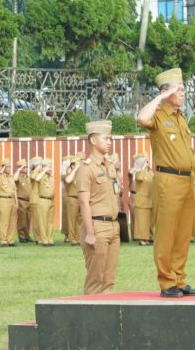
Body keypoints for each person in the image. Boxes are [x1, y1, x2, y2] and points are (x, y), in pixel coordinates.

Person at [137, 67, 195, 298]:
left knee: (183, 233)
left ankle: (179, 278)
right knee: (166, 233)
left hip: (187, 181)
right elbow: (141, 118)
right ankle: (167, 282)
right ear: (166, 92)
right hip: (168, 179)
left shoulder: (181, 117)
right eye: (179, 90)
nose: (184, 94)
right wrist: (160, 97)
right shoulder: (158, 114)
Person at [76, 120, 120, 295]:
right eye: (106, 138)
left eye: (110, 138)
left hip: (113, 226)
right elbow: (83, 203)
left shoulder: (109, 165)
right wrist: (90, 233)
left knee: (109, 280)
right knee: (96, 280)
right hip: (97, 227)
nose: (109, 142)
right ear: (93, 141)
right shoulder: (86, 168)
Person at [0, 158, 18, 247]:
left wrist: (16, 202)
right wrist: (1, 172)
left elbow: (14, 191)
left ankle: (10, 240)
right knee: (4, 221)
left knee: (12, 222)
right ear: (3, 168)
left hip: (12, 200)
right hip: (3, 200)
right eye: (8, 167)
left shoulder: (11, 177)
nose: (10, 169)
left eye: (10, 167)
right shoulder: (0, 177)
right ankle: (3, 240)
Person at [132, 153, 153, 246]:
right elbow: (140, 178)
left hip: (150, 199)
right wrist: (143, 167)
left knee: (148, 220)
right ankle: (142, 239)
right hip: (141, 199)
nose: (147, 163)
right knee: (142, 220)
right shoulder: (137, 172)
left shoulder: (149, 173)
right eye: (145, 161)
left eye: (147, 161)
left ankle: (148, 237)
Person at [35, 158, 55, 246]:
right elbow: (37, 179)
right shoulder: (40, 176)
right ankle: (44, 240)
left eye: (51, 167)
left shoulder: (52, 177)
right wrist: (44, 171)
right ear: (44, 168)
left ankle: (50, 239)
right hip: (43, 200)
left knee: (50, 221)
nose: (50, 169)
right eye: (48, 167)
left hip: (51, 201)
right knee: (43, 221)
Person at [64, 156, 82, 246]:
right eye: (77, 164)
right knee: (72, 220)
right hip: (72, 198)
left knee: (80, 220)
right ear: (72, 166)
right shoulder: (70, 173)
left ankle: (78, 238)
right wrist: (74, 170)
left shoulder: (80, 175)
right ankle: (72, 239)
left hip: (80, 199)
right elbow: (68, 180)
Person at [14, 159, 32, 243]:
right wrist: (18, 170)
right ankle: (22, 236)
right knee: (22, 220)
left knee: (28, 220)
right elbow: (14, 179)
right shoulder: (18, 177)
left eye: (26, 167)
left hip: (29, 201)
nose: (25, 169)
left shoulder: (27, 177)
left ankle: (27, 235)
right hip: (21, 200)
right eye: (23, 167)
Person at [29, 157, 42, 244]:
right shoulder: (33, 173)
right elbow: (33, 176)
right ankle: (38, 238)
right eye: (40, 164)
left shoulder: (40, 173)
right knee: (37, 220)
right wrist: (37, 168)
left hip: (40, 199)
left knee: (41, 219)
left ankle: (42, 236)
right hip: (35, 199)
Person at [61, 155, 72, 243]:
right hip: (67, 194)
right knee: (67, 215)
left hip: (73, 194)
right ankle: (67, 234)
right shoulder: (64, 174)